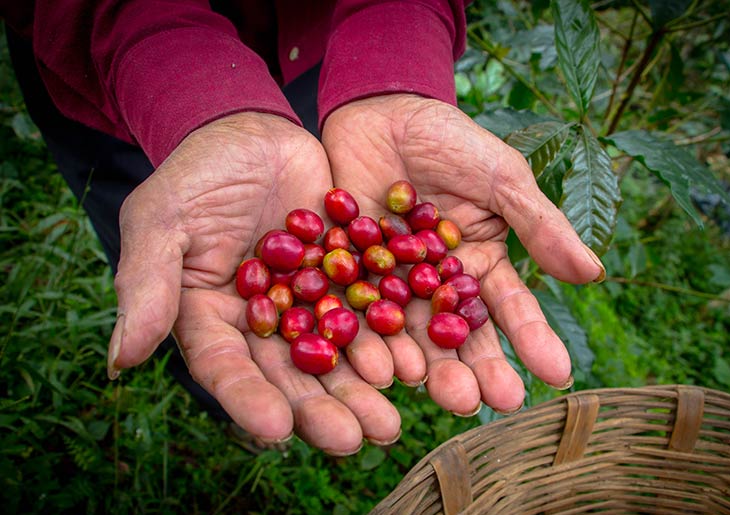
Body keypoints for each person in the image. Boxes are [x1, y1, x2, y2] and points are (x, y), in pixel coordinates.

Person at [1, 1, 604, 456]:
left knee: (219, 261)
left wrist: (395, 69)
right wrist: (192, 105)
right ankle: (218, 400)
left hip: (328, 49)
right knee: (184, 257)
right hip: (121, 69)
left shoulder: (373, 249)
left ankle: (243, 408)